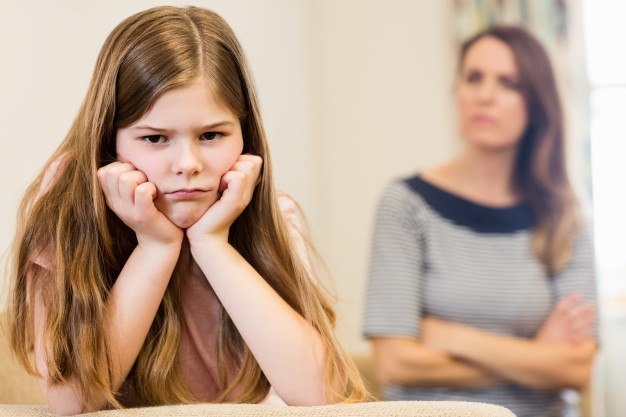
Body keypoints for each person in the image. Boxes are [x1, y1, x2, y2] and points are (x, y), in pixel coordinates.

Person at [7, 6, 365, 415]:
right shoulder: (66, 211)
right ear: (109, 142)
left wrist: (213, 245)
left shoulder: (271, 214)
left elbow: (322, 394)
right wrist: (155, 248)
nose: (188, 164)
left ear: (245, 137)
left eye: (211, 135)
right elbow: (72, 400)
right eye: (155, 139)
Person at [363, 25, 597, 417]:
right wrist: (536, 357)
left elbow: (576, 368)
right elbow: (394, 363)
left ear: (537, 103)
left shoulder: (564, 215)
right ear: (457, 90)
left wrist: (455, 338)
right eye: (474, 78)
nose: (485, 96)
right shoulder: (405, 204)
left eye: (508, 83)